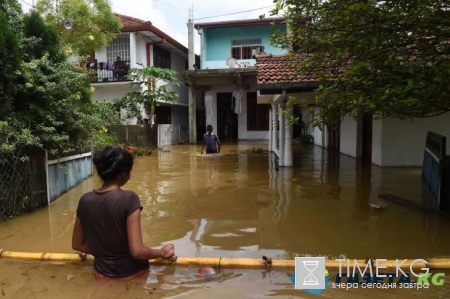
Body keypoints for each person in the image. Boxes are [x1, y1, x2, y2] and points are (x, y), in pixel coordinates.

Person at [72, 146, 174, 279]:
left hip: (101, 276)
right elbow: (137, 251)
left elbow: (77, 244)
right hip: (134, 275)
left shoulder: (84, 200)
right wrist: (161, 252)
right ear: (123, 173)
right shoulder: (130, 199)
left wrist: (104, 253)